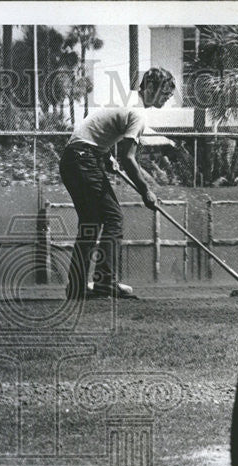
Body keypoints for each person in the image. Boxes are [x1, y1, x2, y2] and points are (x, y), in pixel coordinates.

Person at [59, 66, 176, 300]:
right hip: (83, 158)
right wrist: (146, 192)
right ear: (150, 88)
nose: (166, 99)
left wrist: (105, 156)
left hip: (72, 159)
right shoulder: (138, 113)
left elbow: (96, 132)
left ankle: (77, 286)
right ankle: (105, 282)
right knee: (113, 217)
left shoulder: (127, 101)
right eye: (164, 93)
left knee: (91, 221)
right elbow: (128, 158)